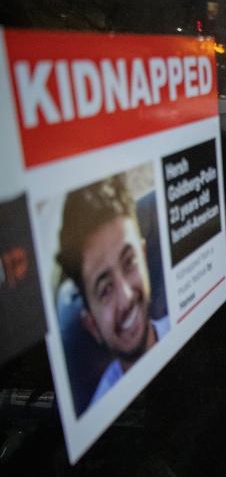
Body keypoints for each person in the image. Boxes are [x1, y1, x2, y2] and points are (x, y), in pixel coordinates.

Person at [57, 173, 169, 408]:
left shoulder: (181, 325)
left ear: (144, 257)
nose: (126, 297)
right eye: (105, 289)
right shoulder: (102, 409)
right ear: (92, 324)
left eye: (129, 262)